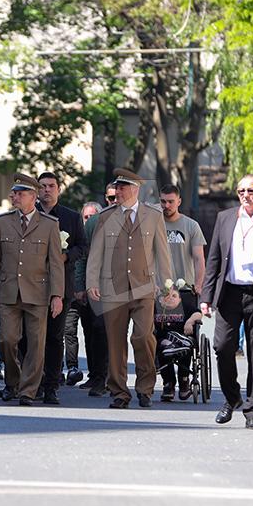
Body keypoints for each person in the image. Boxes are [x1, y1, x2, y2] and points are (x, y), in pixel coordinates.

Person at [201, 174, 253, 429]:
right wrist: (206, 296)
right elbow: (214, 259)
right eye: (241, 191)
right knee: (222, 347)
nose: (246, 195)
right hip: (229, 293)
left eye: (251, 190)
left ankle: (252, 410)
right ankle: (232, 397)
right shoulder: (225, 218)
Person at [86, 168, 172, 409]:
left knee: (143, 337)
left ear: (135, 189)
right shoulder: (105, 217)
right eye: (116, 187)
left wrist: (167, 285)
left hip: (144, 287)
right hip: (113, 289)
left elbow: (162, 253)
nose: (118, 192)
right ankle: (119, 392)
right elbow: (96, 253)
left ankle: (145, 388)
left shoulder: (153, 216)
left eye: (122, 188)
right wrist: (92, 282)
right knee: (115, 343)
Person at [0, 174, 64, 405]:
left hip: (38, 293)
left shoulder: (49, 224)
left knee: (37, 345)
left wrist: (57, 295)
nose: (14, 197)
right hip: (8, 292)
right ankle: (14, 381)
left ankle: (28, 391)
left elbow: (55, 264)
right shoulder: (3, 221)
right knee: (7, 341)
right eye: (14, 193)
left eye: (20, 193)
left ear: (33, 196)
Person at [35, 172, 87, 401]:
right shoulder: (30, 214)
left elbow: (82, 247)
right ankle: (32, 382)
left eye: (51, 186)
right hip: (33, 284)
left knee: (55, 337)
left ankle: (51, 385)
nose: (47, 190)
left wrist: (65, 256)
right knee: (31, 336)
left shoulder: (71, 217)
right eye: (43, 186)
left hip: (61, 285)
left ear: (58, 189)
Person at [74, 185, 117, 395]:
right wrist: (80, 285)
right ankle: (99, 377)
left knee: (117, 333)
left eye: (118, 196)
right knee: (97, 330)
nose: (115, 200)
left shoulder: (136, 219)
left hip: (125, 286)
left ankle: (114, 378)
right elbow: (83, 255)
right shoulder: (94, 222)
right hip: (98, 286)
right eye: (111, 197)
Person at [64, 202, 101, 387]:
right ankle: (72, 367)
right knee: (68, 330)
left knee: (92, 332)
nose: (88, 220)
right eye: (86, 217)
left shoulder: (99, 234)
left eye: (92, 217)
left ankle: (96, 374)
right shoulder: (76, 232)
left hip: (93, 293)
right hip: (73, 291)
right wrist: (77, 287)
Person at [154, 283, 202, 402]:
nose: (170, 298)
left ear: (180, 299)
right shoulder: (156, 308)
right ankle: (168, 383)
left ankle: (183, 380)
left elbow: (198, 313)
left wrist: (189, 322)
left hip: (183, 338)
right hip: (163, 341)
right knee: (162, 348)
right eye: (166, 296)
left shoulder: (184, 306)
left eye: (174, 296)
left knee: (186, 350)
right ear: (160, 299)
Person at [159, 184, 206, 296]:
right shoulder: (152, 225)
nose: (167, 205)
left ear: (179, 202)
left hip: (185, 288)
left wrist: (198, 285)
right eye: (163, 201)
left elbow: (199, 259)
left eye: (171, 202)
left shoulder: (191, 226)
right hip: (160, 289)